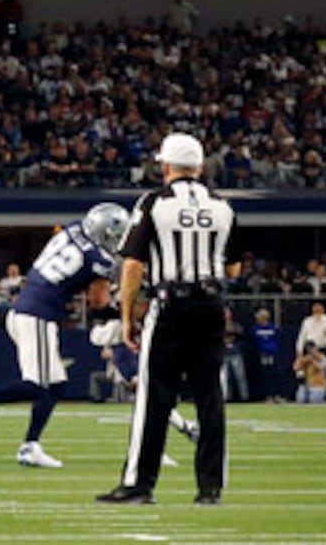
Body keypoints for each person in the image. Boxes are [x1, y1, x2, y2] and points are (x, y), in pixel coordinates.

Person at [0, 203, 144, 469]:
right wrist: (125, 315)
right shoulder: (100, 260)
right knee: (37, 384)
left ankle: (30, 446)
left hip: (25, 309)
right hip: (38, 315)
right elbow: (98, 301)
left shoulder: (72, 229)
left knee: (55, 384)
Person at [100, 132, 236, 507]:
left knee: (154, 395)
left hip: (171, 304)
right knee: (210, 396)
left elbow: (132, 265)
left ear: (165, 167)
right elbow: (234, 261)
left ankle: (139, 485)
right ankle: (211, 488)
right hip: (211, 304)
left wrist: (127, 315)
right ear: (200, 167)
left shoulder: (153, 203)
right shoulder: (223, 205)